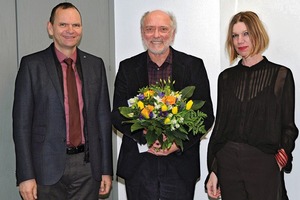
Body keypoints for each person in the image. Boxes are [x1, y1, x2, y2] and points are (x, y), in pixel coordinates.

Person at [13, 2, 112, 200]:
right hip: (45, 170)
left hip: (87, 169)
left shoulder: (96, 65)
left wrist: (105, 169)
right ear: (50, 27)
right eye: (63, 25)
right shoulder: (32, 65)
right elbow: (21, 125)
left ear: (81, 29)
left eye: (76, 25)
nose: (70, 30)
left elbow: (103, 120)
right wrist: (25, 175)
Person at [111, 10, 214, 200]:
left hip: (180, 167)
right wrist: (144, 136)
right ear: (142, 33)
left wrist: (177, 143)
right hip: (139, 166)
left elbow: (206, 115)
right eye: (150, 29)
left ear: (173, 33)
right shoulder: (127, 67)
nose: (156, 35)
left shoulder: (193, 66)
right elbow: (117, 114)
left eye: (163, 29)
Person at [206, 11, 298, 200]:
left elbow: (288, 126)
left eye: (246, 33)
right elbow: (221, 128)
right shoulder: (225, 78)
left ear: (257, 34)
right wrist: (214, 170)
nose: (240, 40)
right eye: (235, 35)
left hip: (263, 163)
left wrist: (281, 157)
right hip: (228, 163)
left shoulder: (280, 75)